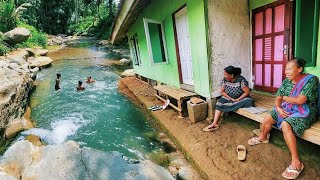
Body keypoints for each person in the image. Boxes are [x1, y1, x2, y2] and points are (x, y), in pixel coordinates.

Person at [248, 58, 319, 179]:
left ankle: (296, 163)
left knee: (286, 124)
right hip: (288, 107)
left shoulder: (311, 80)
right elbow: (278, 98)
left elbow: (301, 100)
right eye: (286, 69)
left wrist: (285, 99)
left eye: (290, 69)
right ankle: (263, 137)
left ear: (300, 69)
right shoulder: (287, 81)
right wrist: (279, 108)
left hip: (306, 110)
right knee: (270, 115)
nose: (286, 71)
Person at [203, 66, 253, 131]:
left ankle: (230, 105)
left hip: (240, 98)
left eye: (226, 74)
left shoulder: (241, 80)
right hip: (229, 97)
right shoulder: (225, 80)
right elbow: (222, 91)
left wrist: (238, 99)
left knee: (249, 101)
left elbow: (247, 92)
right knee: (218, 103)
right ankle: (215, 123)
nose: (224, 76)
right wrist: (230, 98)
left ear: (232, 75)